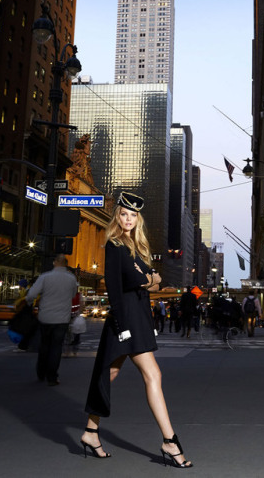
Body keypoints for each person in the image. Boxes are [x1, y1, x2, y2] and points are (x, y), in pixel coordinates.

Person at [81, 192, 193, 468]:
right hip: (127, 318)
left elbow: (155, 281)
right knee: (153, 374)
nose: (128, 219)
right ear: (117, 216)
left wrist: (147, 278)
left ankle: (90, 432)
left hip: (140, 315)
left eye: (133, 216)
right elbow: (117, 287)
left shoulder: (135, 246)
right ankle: (169, 440)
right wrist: (122, 325)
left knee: (111, 371)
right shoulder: (115, 245)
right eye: (123, 214)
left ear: (137, 219)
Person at [25, 253, 77, 385]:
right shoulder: (71, 278)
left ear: (54, 263)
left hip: (45, 316)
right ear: (65, 264)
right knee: (56, 347)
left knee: (44, 345)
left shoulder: (45, 277)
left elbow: (31, 295)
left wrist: (29, 303)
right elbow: (73, 294)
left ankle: (41, 372)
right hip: (62, 318)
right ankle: (52, 376)